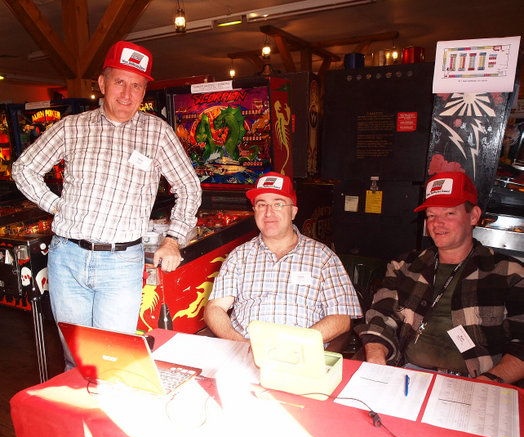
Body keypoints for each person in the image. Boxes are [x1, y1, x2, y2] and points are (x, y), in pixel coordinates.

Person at [12, 41, 201, 358]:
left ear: (144, 92)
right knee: (75, 356)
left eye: (137, 86)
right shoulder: (72, 127)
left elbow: (189, 186)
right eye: (120, 82)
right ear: (102, 83)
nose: (127, 94)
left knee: (111, 358)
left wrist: (174, 239)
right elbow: (24, 168)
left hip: (121, 263)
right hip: (67, 258)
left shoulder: (157, 132)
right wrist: (55, 205)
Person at [356, 171, 524, 384]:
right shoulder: (404, 266)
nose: (437, 223)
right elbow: (382, 314)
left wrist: (485, 384)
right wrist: (376, 355)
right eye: (431, 215)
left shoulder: (510, 273)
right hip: (409, 375)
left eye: (449, 213)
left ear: (473, 216)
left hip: (478, 381)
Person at [204, 171, 361, 345]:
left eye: (278, 204)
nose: (268, 213)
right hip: (244, 348)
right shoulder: (239, 256)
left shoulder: (323, 258)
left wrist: (293, 344)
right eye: (261, 205)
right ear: (254, 211)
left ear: (293, 212)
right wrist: (240, 343)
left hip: (299, 352)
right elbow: (215, 308)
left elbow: (342, 318)